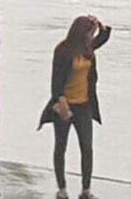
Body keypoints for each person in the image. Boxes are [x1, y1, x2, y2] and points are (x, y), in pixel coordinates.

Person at [38, 16, 112, 199]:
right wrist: (60, 100)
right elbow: (55, 81)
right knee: (60, 146)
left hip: (84, 105)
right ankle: (61, 188)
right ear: (81, 33)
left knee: (87, 147)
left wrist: (100, 26)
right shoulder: (63, 51)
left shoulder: (89, 49)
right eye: (89, 33)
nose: (91, 36)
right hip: (64, 104)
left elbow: (103, 37)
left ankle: (85, 189)